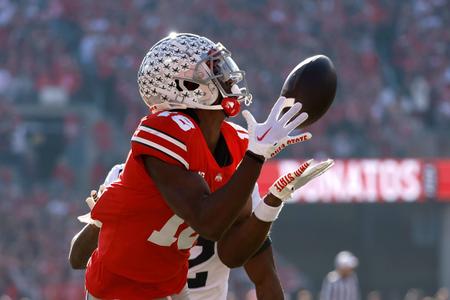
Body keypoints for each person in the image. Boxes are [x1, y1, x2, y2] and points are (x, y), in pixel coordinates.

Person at [74, 32, 332, 299]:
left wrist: (273, 199)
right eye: (213, 70)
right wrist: (256, 157)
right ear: (184, 87)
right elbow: (209, 223)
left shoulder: (234, 143)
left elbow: (233, 252)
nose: (228, 75)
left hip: (169, 288)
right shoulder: (164, 130)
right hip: (119, 289)